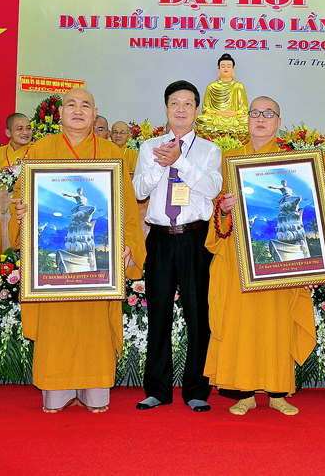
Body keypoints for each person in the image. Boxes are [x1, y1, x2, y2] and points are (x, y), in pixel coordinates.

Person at [9, 87, 146, 413]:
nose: (78, 110)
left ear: (94, 113)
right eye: (71, 104)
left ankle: (95, 391)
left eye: (86, 105)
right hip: (57, 260)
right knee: (56, 325)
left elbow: (127, 210)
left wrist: (128, 244)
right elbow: (21, 196)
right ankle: (56, 392)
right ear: (60, 113)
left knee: (94, 326)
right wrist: (21, 211)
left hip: (97, 263)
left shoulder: (111, 152)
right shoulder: (41, 150)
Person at [204, 96, 316, 416]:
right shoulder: (229, 160)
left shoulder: (293, 164)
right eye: (255, 113)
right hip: (238, 259)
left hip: (278, 258)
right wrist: (223, 209)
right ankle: (245, 393)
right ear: (247, 119)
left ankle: (278, 392)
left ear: (278, 122)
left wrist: (311, 265)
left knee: (276, 323)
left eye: (268, 114)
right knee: (242, 324)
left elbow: (309, 211)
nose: (261, 119)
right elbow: (215, 212)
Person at [132, 80, 223, 412]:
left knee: (199, 315)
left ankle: (196, 390)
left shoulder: (210, 150)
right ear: (167, 108)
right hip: (159, 238)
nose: (181, 109)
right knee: (158, 314)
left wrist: (180, 161)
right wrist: (161, 164)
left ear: (197, 109)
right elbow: (138, 190)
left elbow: (212, 188)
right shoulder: (148, 147)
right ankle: (157, 390)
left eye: (187, 103)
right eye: (174, 103)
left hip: (194, 238)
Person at [194, 53, 249, 142]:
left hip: (234, 119)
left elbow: (245, 110)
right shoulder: (211, 86)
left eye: (228, 66)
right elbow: (205, 109)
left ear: (233, 69)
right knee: (201, 119)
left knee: (246, 120)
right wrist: (217, 112)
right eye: (223, 66)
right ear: (218, 69)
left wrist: (233, 113)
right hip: (216, 118)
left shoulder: (239, 87)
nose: (226, 68)